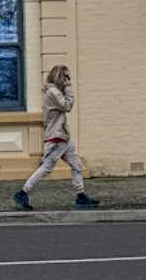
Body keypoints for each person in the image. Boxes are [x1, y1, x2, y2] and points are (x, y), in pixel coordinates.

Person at [14, 65, 99, 211]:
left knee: (77, 165)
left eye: (68, 77)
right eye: (66, 77)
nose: (68, 80)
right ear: (59, 77)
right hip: (56, 138)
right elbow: (67, 106)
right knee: (46, 168)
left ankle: (81, 197)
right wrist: (68, 87)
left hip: (64, 137)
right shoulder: (53, 92)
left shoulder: (54, 91)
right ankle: (22, 193)